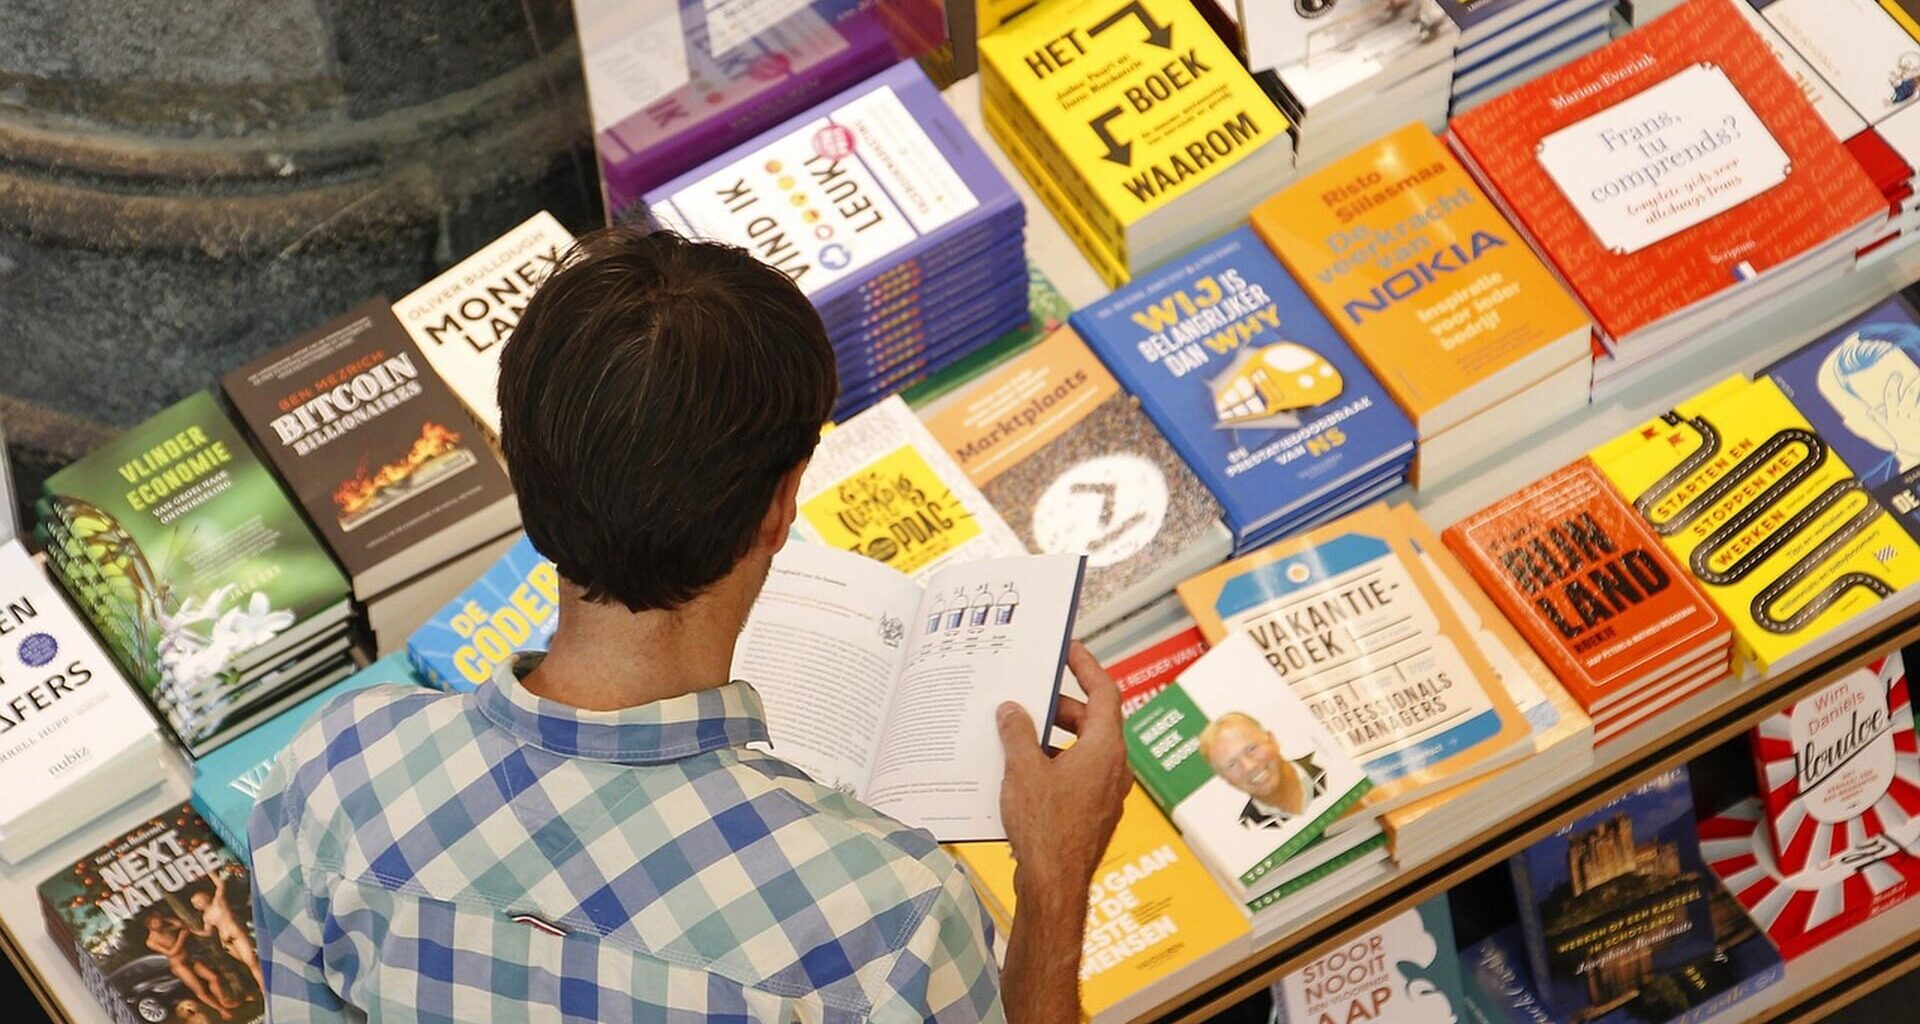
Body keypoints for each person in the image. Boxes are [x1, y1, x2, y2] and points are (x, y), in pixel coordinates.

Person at [249, 228, 1131, 1022]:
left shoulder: (336, 769)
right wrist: (1053, 891)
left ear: (519, 467)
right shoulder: (889, 923)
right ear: (780, 508)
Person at [1199, 711, 1328, 830]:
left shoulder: (1329, 763)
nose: (1249, 766)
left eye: (1252, 749)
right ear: (1225, 779)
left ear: (1273, 740)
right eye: (1232, 765)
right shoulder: (1248, 829)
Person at [145, 913, 237, 1021]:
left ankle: (224, 1002)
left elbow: (179, 924)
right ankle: (222, 1011)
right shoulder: (151, 941)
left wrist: (164, 917)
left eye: (160, 921)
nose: (159, 924)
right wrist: (181, 937)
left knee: (213, 977)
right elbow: (171, 953)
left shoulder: (166, 929)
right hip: (179, 966)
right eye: (156, 923)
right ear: (149, 926)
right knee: (200, 991)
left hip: (189, 959)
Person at [187, 866, 264, 995]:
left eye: (198, 900)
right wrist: (193, 931)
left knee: (252, 963)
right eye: (194, 903)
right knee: (249, 963)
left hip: (236, 935)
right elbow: (208, 932)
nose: (197, 904)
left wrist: (208, 871)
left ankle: (263, 988)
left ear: (206, 897)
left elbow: (220, 884)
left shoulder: (218, 902)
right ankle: (264, 982)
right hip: (226, 942)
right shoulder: (206, 917)